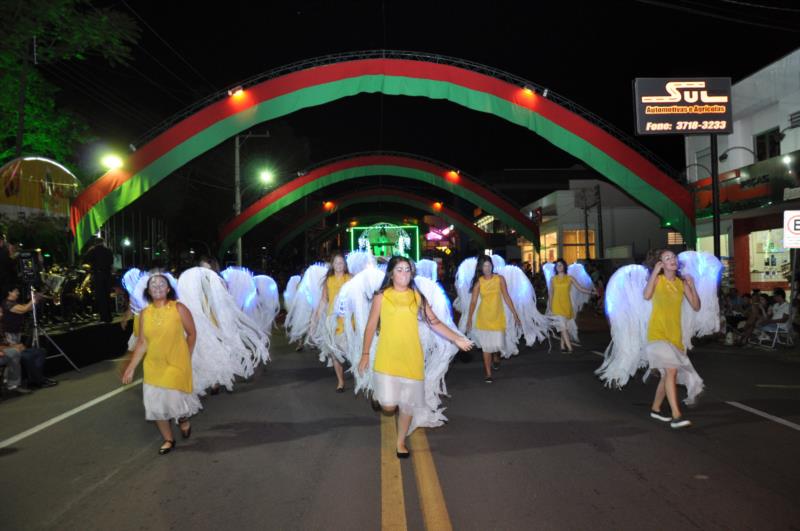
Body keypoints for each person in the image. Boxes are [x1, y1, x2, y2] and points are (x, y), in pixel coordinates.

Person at [358, 256, 473, 458]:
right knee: (388, 406)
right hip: (388, 356)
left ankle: (401, 442)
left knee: (407, 404)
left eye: (408, 270)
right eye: (400, 269)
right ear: (391, 273)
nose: (404, 273)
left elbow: (435, 322)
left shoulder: (417, 296)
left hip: (412, 356)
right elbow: (370, 326)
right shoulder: (381, 296)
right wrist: (365, 354)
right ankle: (378, 395)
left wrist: (457, 339)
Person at [121, 274, 201, 455]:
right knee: (156, 406)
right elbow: (142, 343)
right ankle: (168, 439)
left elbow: (192, 333)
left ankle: (183, 419)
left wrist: (186, 355)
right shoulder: (144, 314)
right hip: (153, 365)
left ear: (168, 289)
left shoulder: (179, 308)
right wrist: (131, 368)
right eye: (153, 284)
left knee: (175, 401)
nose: (157, 286)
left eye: (161, 284)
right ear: (148, 291)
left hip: (176, 363)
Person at [644, 249, 701, 429]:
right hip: (657, 334)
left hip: (675, 336)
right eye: (667, 258)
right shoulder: (658, 279)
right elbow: (646, 295)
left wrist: (692, 286)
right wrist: (655, 271)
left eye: (674, 257)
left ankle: (655, 408)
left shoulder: (680, 283)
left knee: (667, 375)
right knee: (671, 371)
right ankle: (676, 415)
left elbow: (696, 306)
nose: (673, 260)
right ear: (660, 263)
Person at [465, 255, 521, 383]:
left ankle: (496, 356)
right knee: (486, 347)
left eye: (489, 265)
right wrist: (469, 319)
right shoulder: (479, 282)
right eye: (484, 265)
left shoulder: (500, 279)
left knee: (497, 345)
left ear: (492, 266)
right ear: (481, 267)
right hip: (483, 318)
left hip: (497, 317)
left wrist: (515, 314)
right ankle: (488, 373)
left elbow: (506, 296)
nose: (487, 268)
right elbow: (473, 302)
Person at [1, 286, 57, 388]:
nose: (18, 292)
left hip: (14, 336)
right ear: (9, 292)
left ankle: (35, 379)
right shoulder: (7, 304)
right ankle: (33, 381)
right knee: (22, 355)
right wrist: (34, 299)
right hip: (10, 336)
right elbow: (24, 309)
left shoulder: (13, 303)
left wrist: (37, 299)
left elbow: (28, 308)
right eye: (16, 291)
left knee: (40, 352)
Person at [313, 252, 352, 392]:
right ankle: (340, 382)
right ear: (332, 265)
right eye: (336, 263)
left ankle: (358, 375)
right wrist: (316, 318)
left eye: (341, 263)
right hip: (333, 321)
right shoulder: (328, 280)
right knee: (335, 352)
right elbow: (324, 300)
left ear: (345, 265)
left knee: (351, 351)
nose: (339, 266)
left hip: (348, 320)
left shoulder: (351, 278)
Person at [548, 259, 595, 353]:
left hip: (566, 305)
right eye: (557, 265)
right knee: (563, 326)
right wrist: (550, 307)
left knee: (564, 326)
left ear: (564, 266)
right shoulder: (553, 279)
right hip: (556, 305)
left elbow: (580, 288)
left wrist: (592, 292)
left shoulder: (570, 278)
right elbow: (551, 294)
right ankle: (570, 348)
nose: (559, 267)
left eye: (561, 265)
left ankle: (562, 345)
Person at [84, 238, 114, 323]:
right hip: (107, 275)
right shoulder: (108, 251)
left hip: (98, 275)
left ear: (95, 243)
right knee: (107, 295)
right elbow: (111, 261)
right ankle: (109, 316)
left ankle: (103, 317)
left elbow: (86, 260)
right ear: (103, 242)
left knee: (101, 296)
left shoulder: (93, 250)